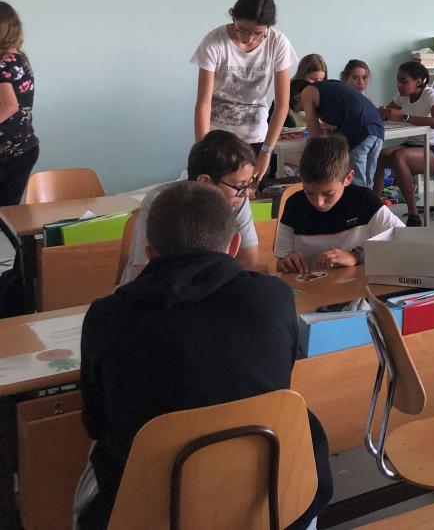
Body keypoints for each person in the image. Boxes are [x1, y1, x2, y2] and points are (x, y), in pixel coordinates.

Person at [77, 181, 332, 530]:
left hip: (154, 512)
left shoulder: (106, 317)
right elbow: (278, 377)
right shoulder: (274, 298)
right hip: (274, 499)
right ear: (234, 245)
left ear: (150, 253)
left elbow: (95, 422)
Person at [118, 131, 262, 285]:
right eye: (240, 185)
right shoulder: (161, 201)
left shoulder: (237, 198)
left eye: (248, 184)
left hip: (209, 291)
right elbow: (147, 273)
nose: (246, 193)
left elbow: (249, 262)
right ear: (205, 181)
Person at [191, 0, 296, 182]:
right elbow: (203, 103)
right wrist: (202, 150)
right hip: (218, 136)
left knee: (249, 192)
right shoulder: (214, 42)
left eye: (259, 33)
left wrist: (267, 151)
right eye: (243, 30)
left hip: (255, 136)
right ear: (234, 19)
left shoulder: (277, 43)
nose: (249, 38)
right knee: (214, 192)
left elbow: (282, 104)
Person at [275, 135, 404, 274]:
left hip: (357, 284)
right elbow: (281, 261)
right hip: (310, 285)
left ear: (348, 178)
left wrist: (357, 256)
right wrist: (285, 262)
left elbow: (404, 242)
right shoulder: (294, 205)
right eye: (309, 192)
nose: (319, 203)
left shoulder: (364, 201)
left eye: (328, 194)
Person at [377, 62, 434, 225]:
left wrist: (404, 117)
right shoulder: (401, 96)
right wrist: (383, 112)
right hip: (412, 145)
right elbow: (388, 113)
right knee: (381, 155)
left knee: (399, 156)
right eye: (398, 81)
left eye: (403, 81)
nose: (399, 85)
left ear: (418, 81)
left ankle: (413, 214)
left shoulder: (432, 94)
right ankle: (374, 207)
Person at [293, 78, 385, 188]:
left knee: (355, 181)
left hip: (359, 131)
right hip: (377, 128)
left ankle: (356, 198)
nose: (305, 111)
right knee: (368, 181)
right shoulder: (328, 87)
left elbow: (315, 135)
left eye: (302, 109)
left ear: (297, 97)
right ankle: (368, 198)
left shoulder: (307, 92)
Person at [0, 2, 38, 207]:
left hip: (8, 151)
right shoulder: (19, 59)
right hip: (24, 147)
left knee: (5, 214)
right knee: (8, 213)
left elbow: (9, 106)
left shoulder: (2, 63)